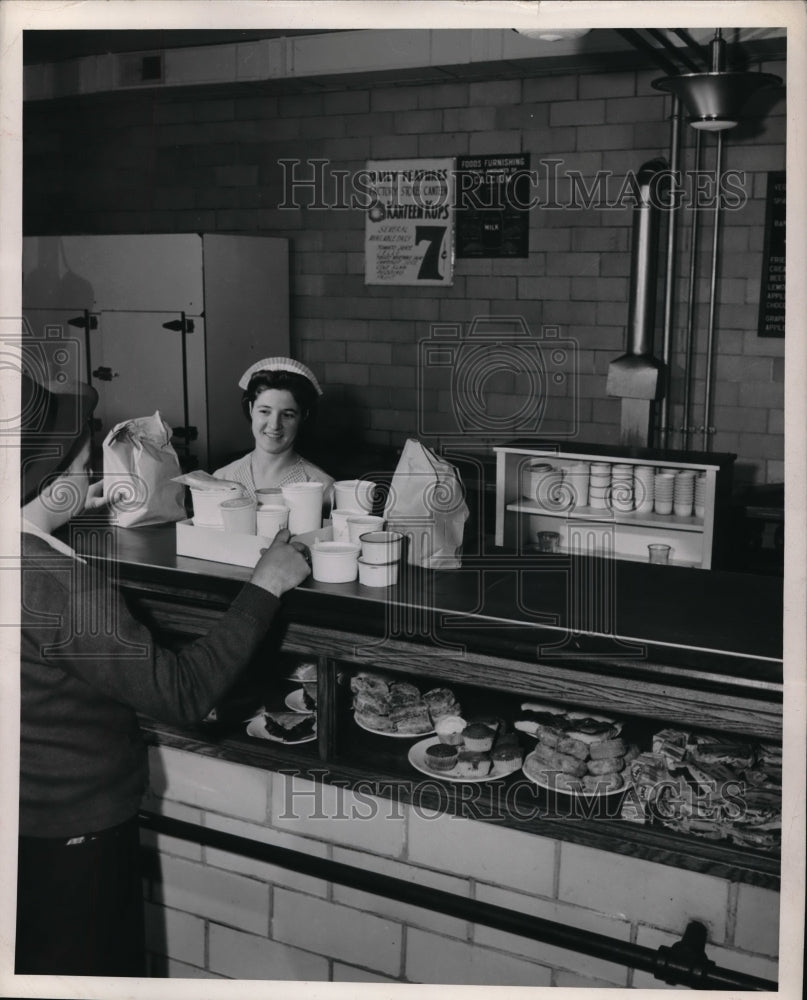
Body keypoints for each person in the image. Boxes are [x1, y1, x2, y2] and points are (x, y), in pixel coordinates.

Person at [17, 373, 311, 977]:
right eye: (81, 454)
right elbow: (182, 693)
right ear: (51, 477)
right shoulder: (58, 585)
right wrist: (266, 583)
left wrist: (63, 506)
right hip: (77, 836)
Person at [212, 356, 334, 500]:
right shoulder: (221, 478)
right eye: (264, 411)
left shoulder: (321, 486)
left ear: (303, 416)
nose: (274, 425)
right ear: (251, 409)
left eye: (288, 415)